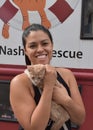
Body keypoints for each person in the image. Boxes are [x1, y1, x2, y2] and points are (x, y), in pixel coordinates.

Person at [10, 23, 85, 130]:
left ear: (52, 46)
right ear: (25, 51)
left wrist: (65, 100)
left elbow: (79, 119)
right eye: (33, 46)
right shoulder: (20, 82)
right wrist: (49, 87)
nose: (40, 49)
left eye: (45, 43)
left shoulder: (67, 75)